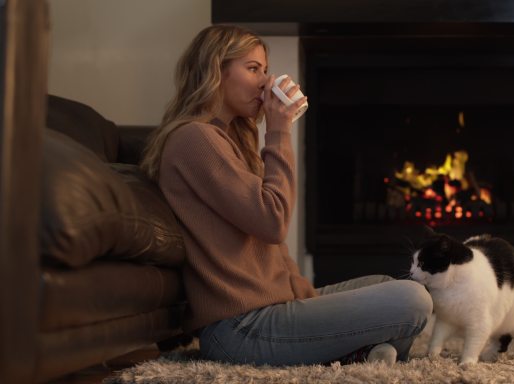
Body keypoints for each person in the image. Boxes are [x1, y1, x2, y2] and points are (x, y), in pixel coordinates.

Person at [139, 24, 432, 366]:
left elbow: (270, 249)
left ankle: (354, 353)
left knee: (386, 284)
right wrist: (278, 132)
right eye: (252, 69)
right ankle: (353, 352)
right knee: (411, 300)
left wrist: (309, 304)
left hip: (277, 308)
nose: (265, 82)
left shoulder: (227, 139)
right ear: (215, 70)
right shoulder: (195, 140)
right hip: (242, 328)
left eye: (264, 70)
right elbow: (272, 222)